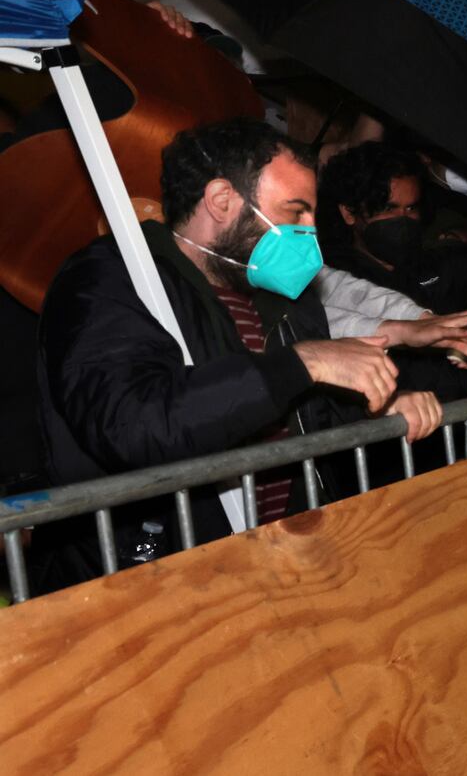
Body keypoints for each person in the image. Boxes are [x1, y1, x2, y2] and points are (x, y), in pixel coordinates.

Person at [33, 118, 443, 592]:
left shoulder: (281, 295)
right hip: (147, 581)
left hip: (270, 565)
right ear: (222, 200)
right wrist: (304, 362)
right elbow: (135, 424)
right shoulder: (111, 281)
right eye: (295, 213)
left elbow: (308, 415)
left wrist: (382, 407)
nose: (310, 234)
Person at [317, 142, 467, 316]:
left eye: (411, 207)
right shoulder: (338, 281)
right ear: (349, 213)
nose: (403, 219)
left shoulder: (423, 260)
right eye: (389, 208)